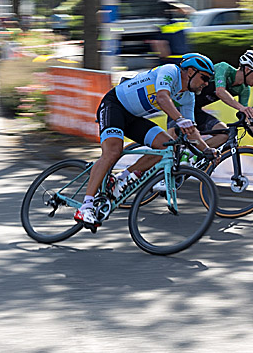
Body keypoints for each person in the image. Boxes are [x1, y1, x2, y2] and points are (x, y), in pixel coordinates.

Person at [76, 52, 218, 229]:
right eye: (204, 78)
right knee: (113, 151)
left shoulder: (188, 97)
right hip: (115, 105)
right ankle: (86, 206)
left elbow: (192, 130)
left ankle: (122, 178)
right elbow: (162, 98)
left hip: (134, 117)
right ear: (190, 71)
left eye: (208, 80)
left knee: (168, 146)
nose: (206, 84)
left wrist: (206, 150)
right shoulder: (170, 71)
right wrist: (180, 119)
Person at [166, 49, 253, 147]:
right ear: (247, 69)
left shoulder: (244, 90)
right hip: (179, 106)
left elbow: (245, 119)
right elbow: (220, 91)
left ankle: (195, 155)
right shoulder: (224, 68)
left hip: (195, 111)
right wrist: (242, 108)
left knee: (224, 134)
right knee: (170, 145)